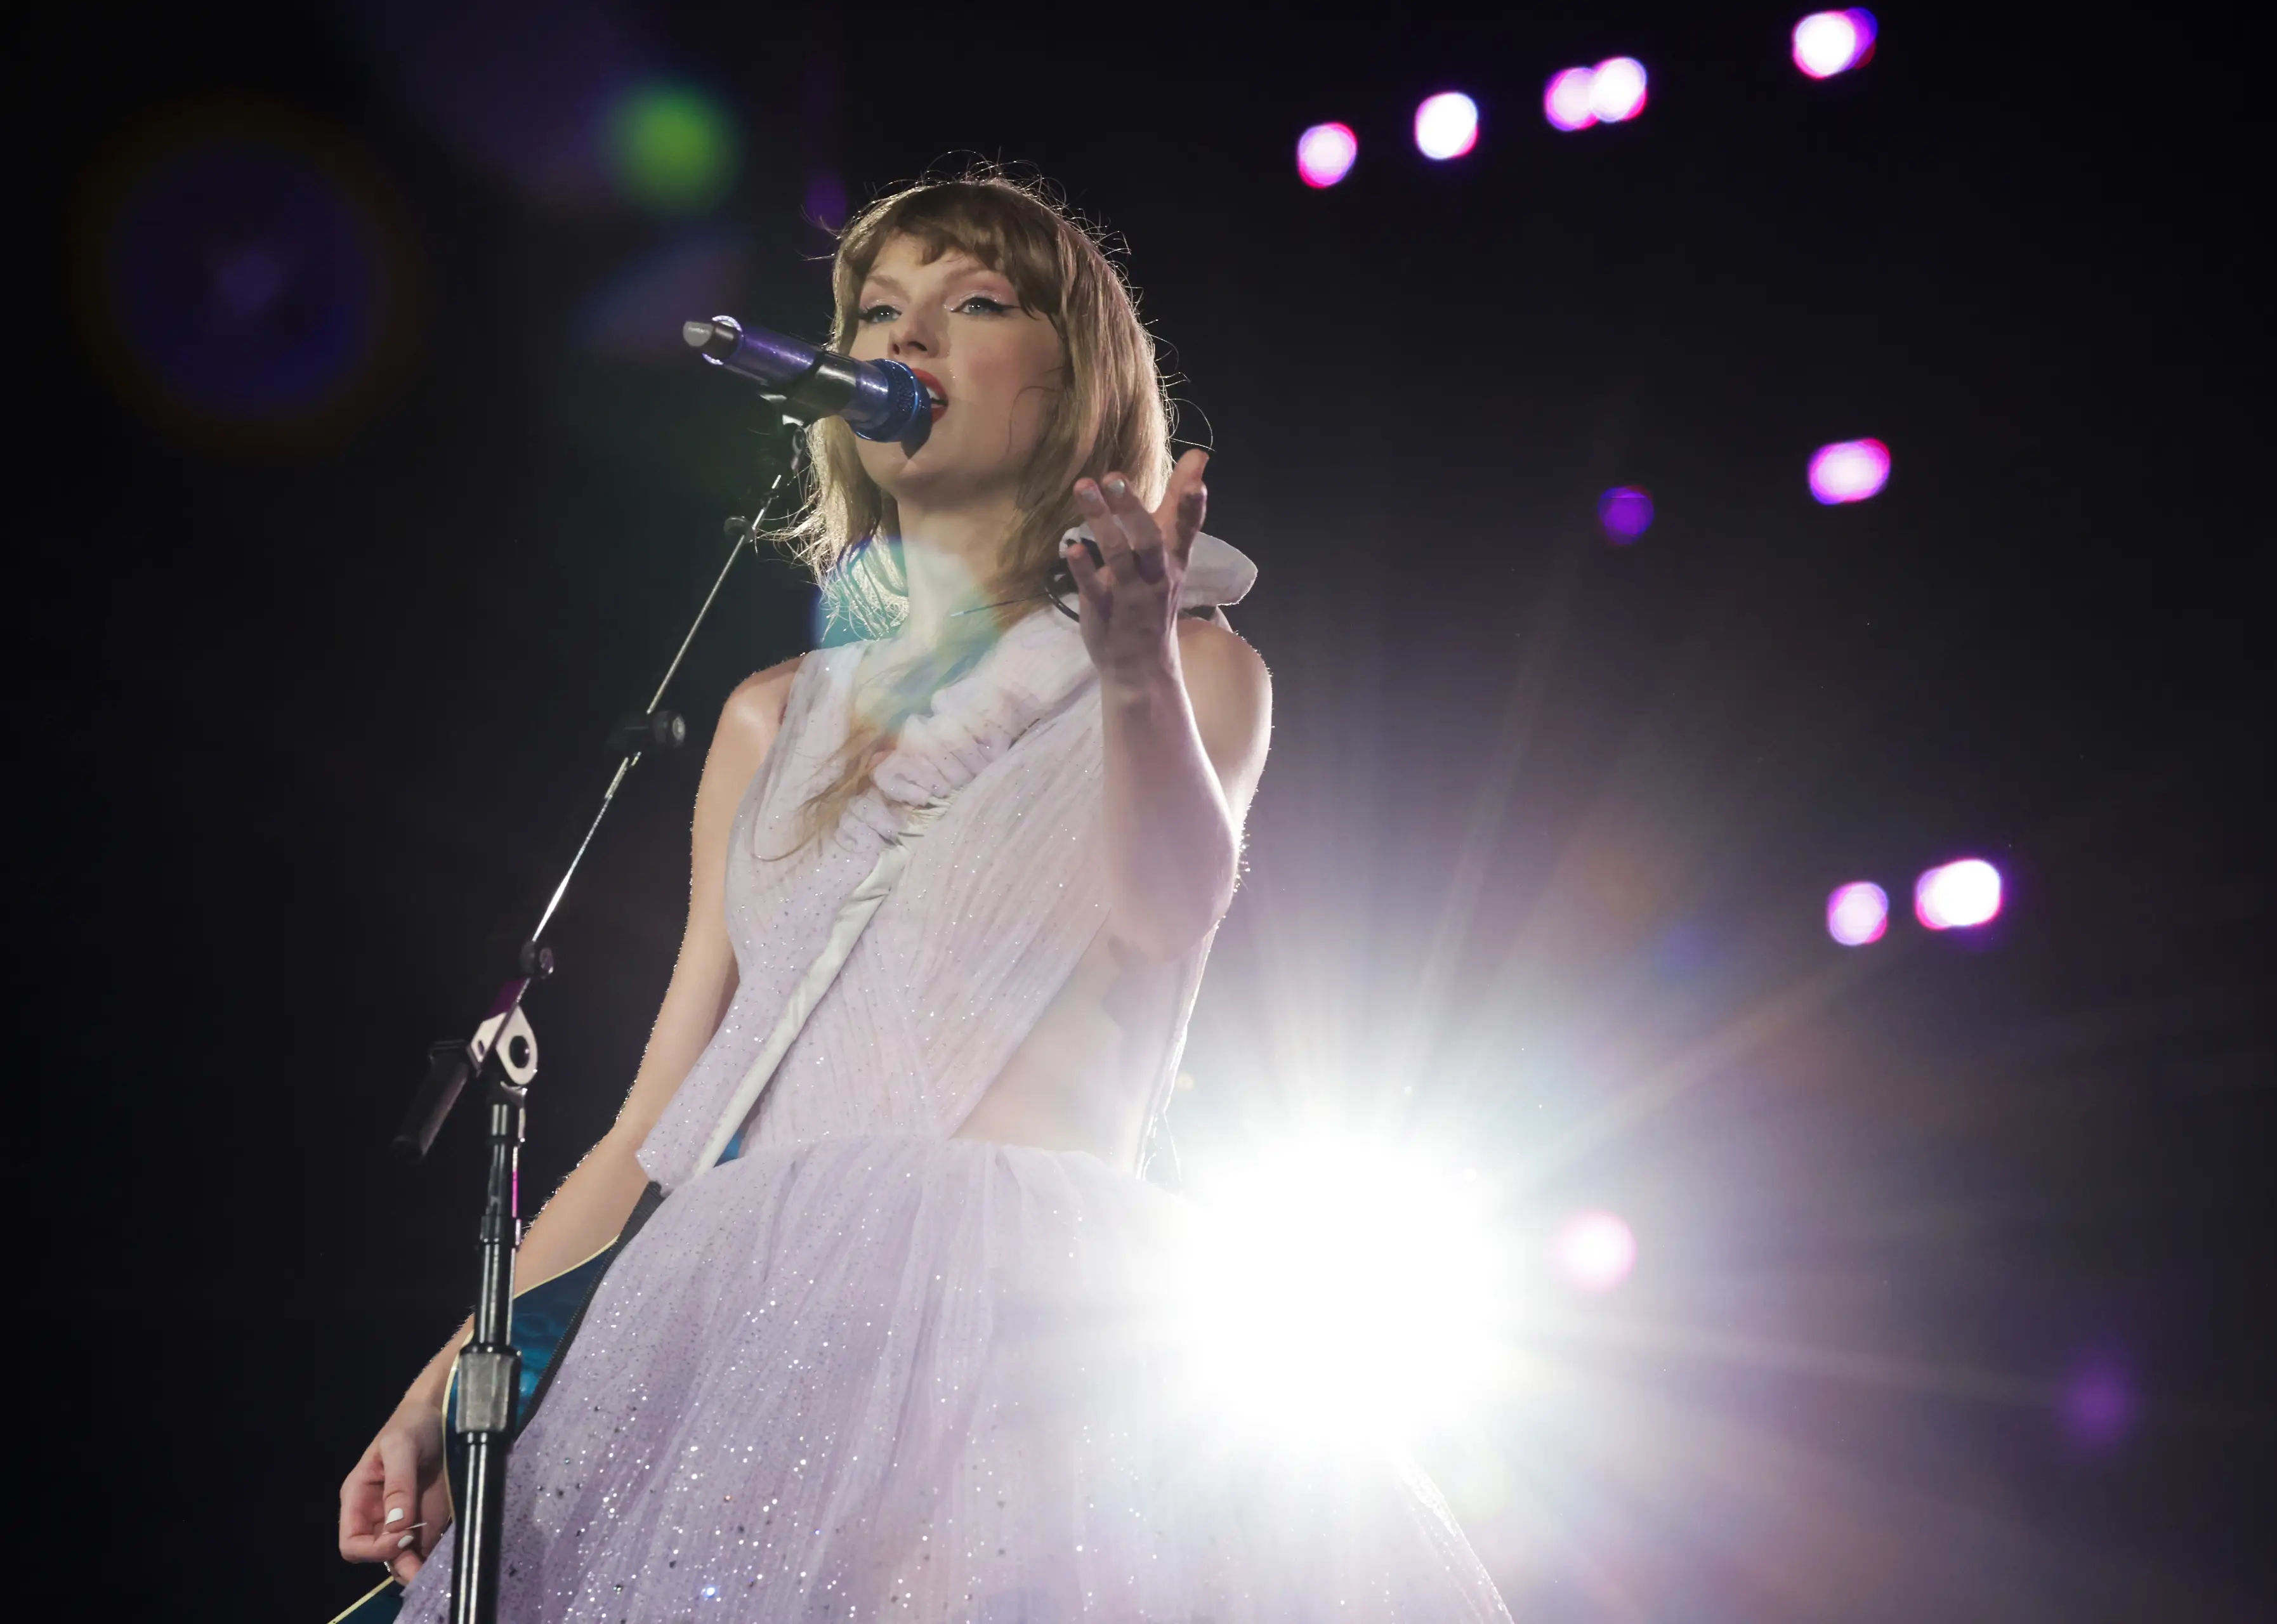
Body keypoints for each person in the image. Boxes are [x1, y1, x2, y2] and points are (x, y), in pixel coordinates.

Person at [337, 172, 1509, 1621]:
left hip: (1030, 1337)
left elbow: (1166, 918)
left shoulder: (1193, 670)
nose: (906, 341)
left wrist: (1133, 661)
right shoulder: (770, 716)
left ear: (1074, 375)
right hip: (729, 1328)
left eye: (973, 303)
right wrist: (453, 1384)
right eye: (878, 309)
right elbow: (656, 1123)